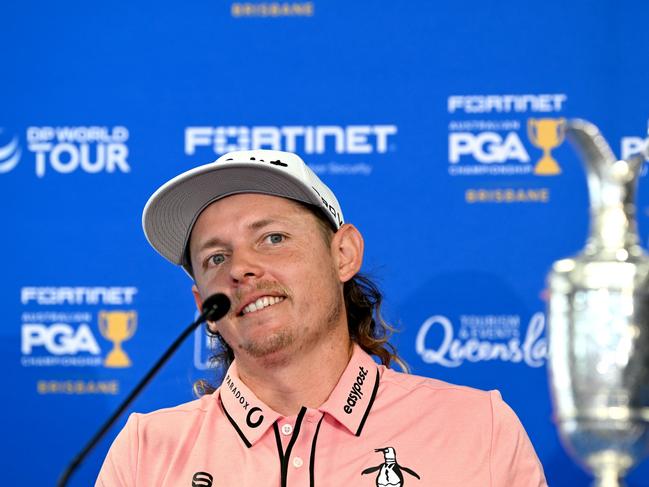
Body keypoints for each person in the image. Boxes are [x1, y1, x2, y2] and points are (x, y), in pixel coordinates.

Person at [96, 149, 547, 486]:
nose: (240, 268)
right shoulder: (145, 452)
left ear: (343, 255)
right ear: (204, 307)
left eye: (272, 238)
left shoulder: (477, 428)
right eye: (216, 258)